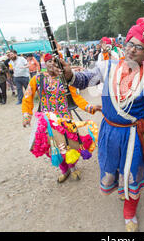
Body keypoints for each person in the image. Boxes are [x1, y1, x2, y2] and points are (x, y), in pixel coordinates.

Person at [61, 17, 144, 232]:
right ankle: (120, 190)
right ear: (124, 44)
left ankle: (129, 212)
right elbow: (85, 79)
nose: (131, 50)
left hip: (133, 137)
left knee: (131, 173)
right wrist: (70, 75)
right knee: (111, 167)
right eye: (129, 44)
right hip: (109, 132)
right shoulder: (106, 67)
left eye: (138, 48)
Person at [22, 53, 101, 183]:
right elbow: (27, 96)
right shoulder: (37, 79)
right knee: (54, 148)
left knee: (69, 145)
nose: (52, 65)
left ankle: (73, 167)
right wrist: (26, 114)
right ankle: (64, 170)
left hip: (65, 119)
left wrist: (90, 108)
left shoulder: (65, 79)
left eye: (55, 62)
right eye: (49, 62)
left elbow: (76, 98)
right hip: (47, 121)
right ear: (44, 64)